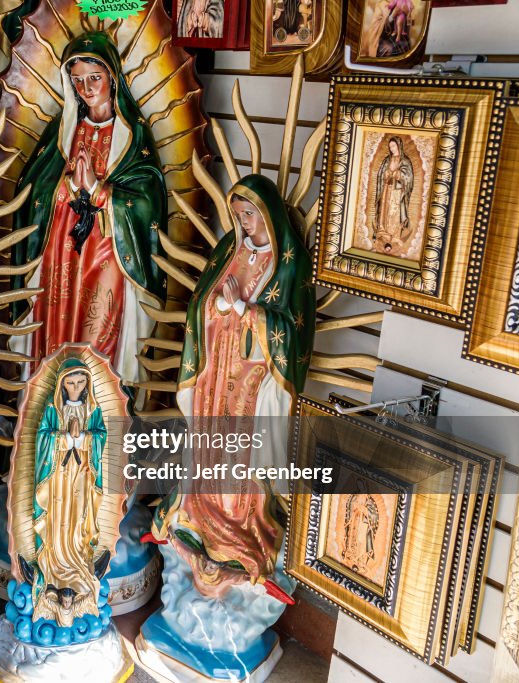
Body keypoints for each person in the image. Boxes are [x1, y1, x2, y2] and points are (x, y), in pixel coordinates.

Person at [150, 174, 314, 600]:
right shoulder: (230, 249)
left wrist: (245, 309)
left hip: (254, 378)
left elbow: (290, 331)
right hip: (216, 370)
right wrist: (217, 307)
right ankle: (198, 519)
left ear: (269, 217)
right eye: (239, 215)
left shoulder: (288, 264)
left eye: (251, 214)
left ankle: (241, 529)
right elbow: (202, 302)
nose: (245, 223)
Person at [12, 32, 166, 384]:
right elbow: (32, 189)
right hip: (60, 257)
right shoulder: (64, 129)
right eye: (77, 80)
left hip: (109, 257)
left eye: (94, 78)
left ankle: (97, 423)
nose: (86, 88)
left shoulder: (133, 137)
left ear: (113, 77)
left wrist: (101, 191)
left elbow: (148, 203)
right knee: (56, 333)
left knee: (97, 340)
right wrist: (65, 187)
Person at [29, 358, 107, 626]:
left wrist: (84, 439)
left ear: (88, 384)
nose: (75, 388)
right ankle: (53, 562)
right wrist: (64, 439)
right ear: (62, 385)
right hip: (57, 478)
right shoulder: (53, 409)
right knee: (57, 521)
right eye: (71, 383)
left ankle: (77, 561)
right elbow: (42, 438)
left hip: (81, 477)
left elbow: (100, 437)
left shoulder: (92, 410)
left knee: (78, 519)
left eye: (80, 382)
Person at [372, 136, 414, 254]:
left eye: (393, 146)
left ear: (399, 145)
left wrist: (398, 174)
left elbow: (409, 177)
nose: (392, 149)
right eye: (390, 147)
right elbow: (380, 174)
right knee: (384, 209)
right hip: (387, 188)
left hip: (397, 191)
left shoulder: (404, 161)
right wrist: (386, 174)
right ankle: (383, 231)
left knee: (395, 212)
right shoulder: (387, 160)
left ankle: (395, 235)